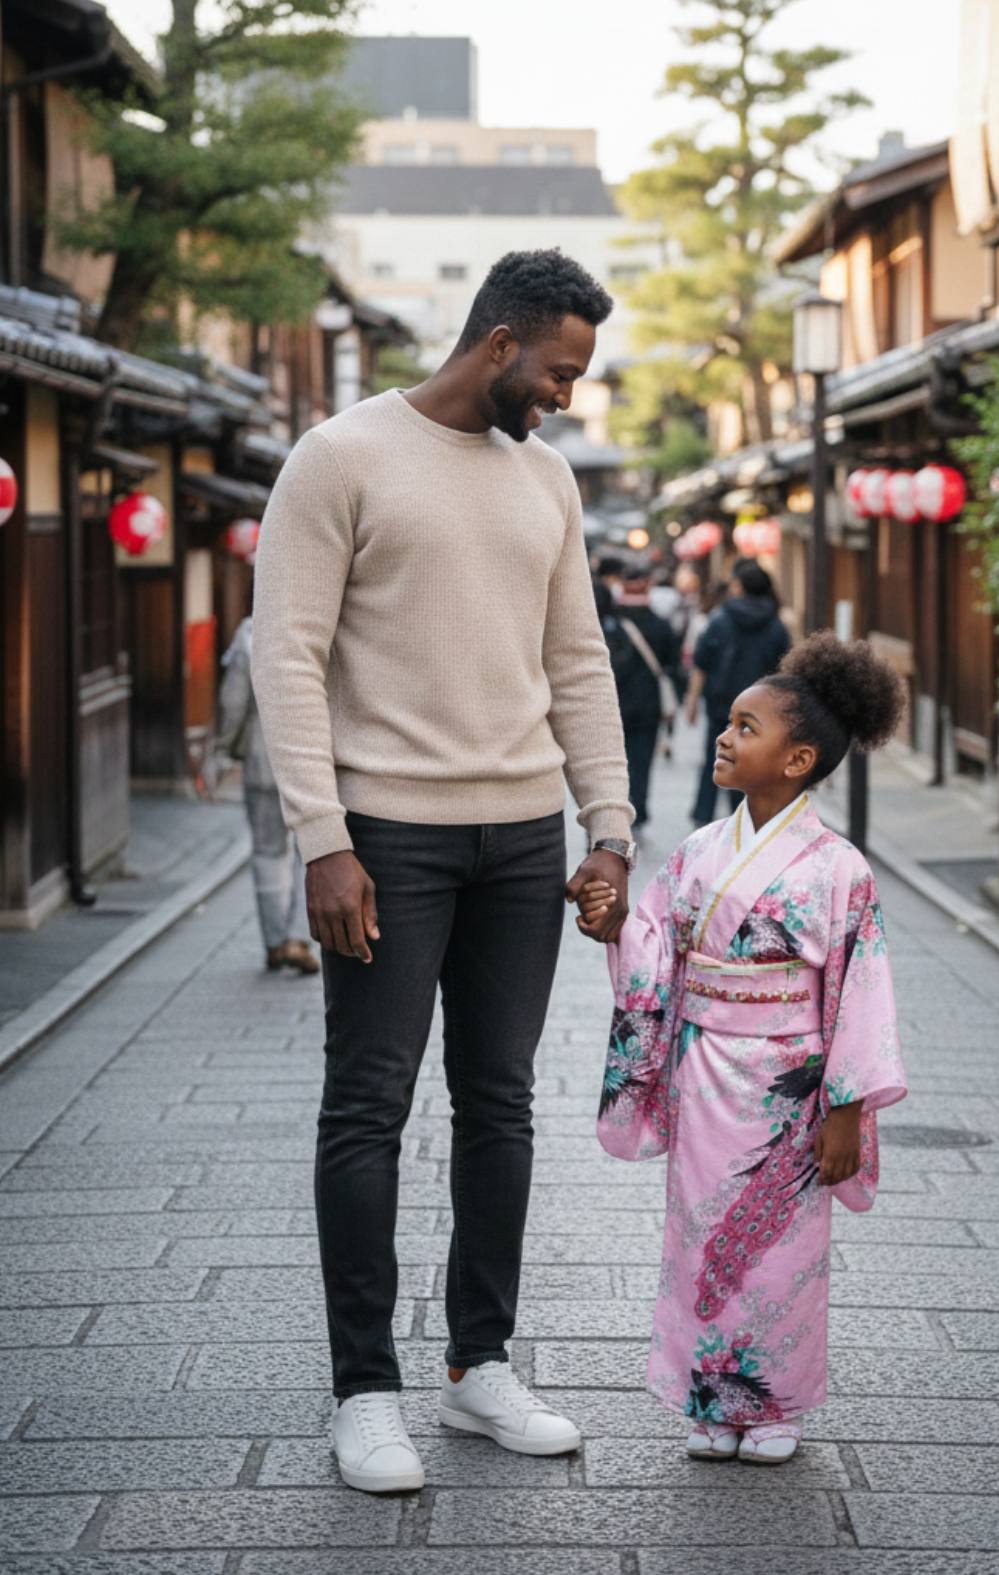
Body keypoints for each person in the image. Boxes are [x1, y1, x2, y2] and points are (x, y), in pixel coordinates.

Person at [250, 249, 636, 1496]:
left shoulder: (547, 483)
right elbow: (290, 661)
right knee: (368, 1107)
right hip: (388, 836)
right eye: (562, 369)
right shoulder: (340, 456)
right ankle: (365, 1390)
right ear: (500, 342)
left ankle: (479, 1370)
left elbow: (578, 661)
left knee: (502, 1103)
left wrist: (610, 825)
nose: (570, 394)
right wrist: (324, 838)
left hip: (522, 836)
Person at [578, 633, 907, 1465]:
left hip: (787, 1087)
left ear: (797, 760)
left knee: (783, 1247)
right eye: (727, 722)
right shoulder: (697, 851)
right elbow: (657, 948)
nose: (722, 737)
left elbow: (859, 993)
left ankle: (772, 1403)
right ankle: (709, 1398)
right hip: (702, 1072)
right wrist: (617, 923)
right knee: (697, 1235)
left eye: (744, 726)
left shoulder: (840, 869)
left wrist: (845, 1105)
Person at [216, 616, 319, 976]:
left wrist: (226, 746)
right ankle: (298, 936)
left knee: (267, 850)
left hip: (263, 758)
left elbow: (233, 701)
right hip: (315, 761)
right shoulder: (318, 625)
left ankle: (276, 942)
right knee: (314, 850)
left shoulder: (248, 635)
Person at [686, 559, 790, 827]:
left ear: (740, 587)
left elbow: (702, 663)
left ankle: (703, 813)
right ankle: (743, 815)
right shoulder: (776, 625)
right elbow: (785, 671)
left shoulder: (721, 619)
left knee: (714, 756)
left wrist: (692, 701)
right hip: (762, 710)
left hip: (722, 702)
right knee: (752, 762)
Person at [613, 565, 680, 826]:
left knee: (616, 761)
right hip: (648, 703)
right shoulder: (660, 625)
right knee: (642, 759)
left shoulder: (611, 623)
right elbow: (672, 664)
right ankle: (638, 808)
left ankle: (618, 807)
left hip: (615, 702)